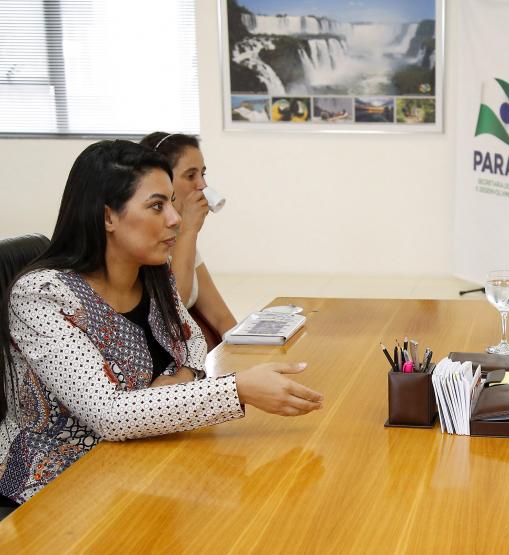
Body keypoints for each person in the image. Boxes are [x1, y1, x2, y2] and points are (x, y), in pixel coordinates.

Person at [0, 140, 323, 505]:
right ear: (107, 217)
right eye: (157, 205)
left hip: (140, 459)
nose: (175, 218)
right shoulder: (42, 295)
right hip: (60, 484)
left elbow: (192, 341)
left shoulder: (153, 274)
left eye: (171, 201)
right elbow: (107, 413)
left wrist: (181, 377)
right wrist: (239, 389)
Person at [138, 132, 236, 342]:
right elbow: (173, 311)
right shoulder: (144, 244)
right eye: (191, 176)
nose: (202, 185)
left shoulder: (181, 236)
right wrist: (189, 231)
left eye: (203, 174)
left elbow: (221, 317)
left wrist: (248, 351)